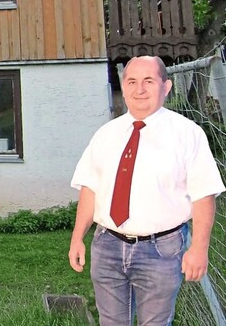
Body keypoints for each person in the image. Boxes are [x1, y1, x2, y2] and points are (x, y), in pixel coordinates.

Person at [68, 55, 225, 325]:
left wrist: (199, 248)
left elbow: (204, 195)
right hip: (106, 246)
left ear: (166, 87)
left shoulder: (188, 134)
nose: (139, 89)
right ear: (124, 86)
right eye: (132, 81)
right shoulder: (106, 134)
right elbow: (90, 188)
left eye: (148, 81)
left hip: (161, 251)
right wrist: (77, 237)